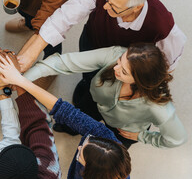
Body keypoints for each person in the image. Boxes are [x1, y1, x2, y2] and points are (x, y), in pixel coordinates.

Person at [0, 55, 135, 179]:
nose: (79, 147)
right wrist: (21, 81)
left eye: (80, 154)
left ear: (91, 174)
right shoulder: (101, 135)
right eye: (85, 141)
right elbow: (63, 110)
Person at [18, 0, 186, 74]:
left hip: (123, 64)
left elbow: (167, 64)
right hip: (91, 41)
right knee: (88, 77)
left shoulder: (163, 26)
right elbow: (65, 15)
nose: (104, 7)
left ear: (137, 7)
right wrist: (32, 52)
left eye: (114, 6)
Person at [22, 43, 187, 149]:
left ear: (140, 81)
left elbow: (176, 139)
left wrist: (143, 136)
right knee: (74, 119)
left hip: (121, 132)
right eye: (120, 62)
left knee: (96, 156)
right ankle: (69, 128)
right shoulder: (114, 55)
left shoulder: (159, 107)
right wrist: (22, 78)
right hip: (94, 102)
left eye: (123, 71)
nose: (116, 68)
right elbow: (64, 62)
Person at [0, 0, 74, 63]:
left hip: (49, 10)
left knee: (50, 43)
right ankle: (28, 25)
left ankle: (51, 64)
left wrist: (16, 63)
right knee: (27, 14)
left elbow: (45, 26)